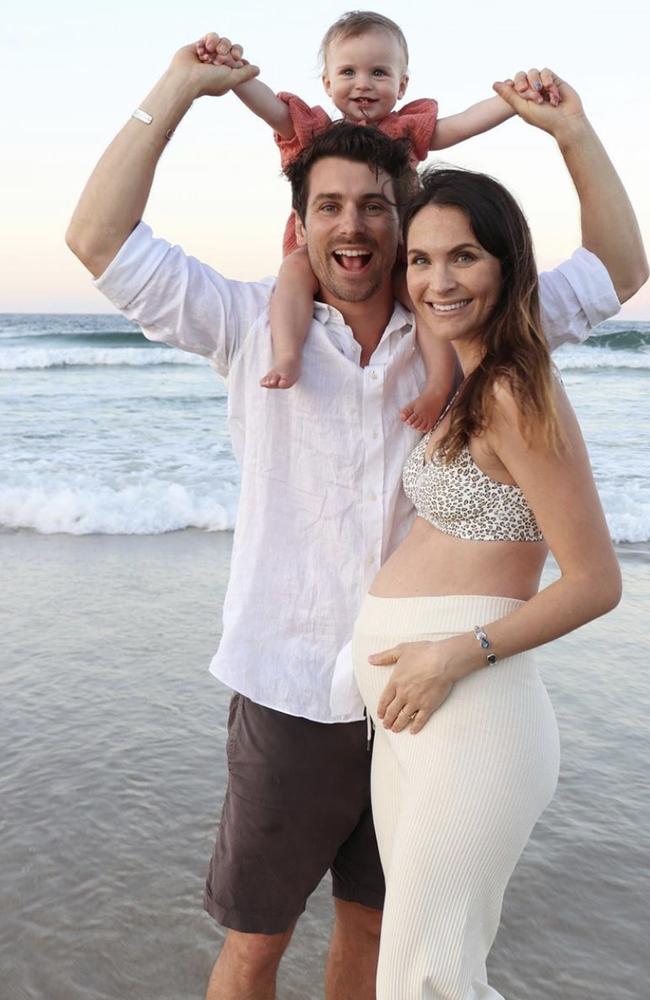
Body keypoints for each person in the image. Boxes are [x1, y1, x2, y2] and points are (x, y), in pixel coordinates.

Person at [65, 34, 647, 1000]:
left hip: (432, 703)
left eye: (376, 206)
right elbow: (99, 242)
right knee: (255, 942)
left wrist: (572, 134)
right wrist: (174, 89)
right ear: (301, 224)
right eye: (329, 205)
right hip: (288, 686)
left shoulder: (458, 321)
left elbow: (619, 268)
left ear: (403, 218)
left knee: (378, 937)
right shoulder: (250, 321)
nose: (354, 224)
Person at [351, 158, 627, 999]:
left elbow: (595, 580)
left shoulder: (513, 386)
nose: (437, 280)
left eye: (464, 256)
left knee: (424, 980)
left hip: (470, 709)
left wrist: (455, 654)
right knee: (431, 973)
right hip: (416, 712)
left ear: (509, 263)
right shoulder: (470, 375)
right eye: (421, 259)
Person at [196, 11, 527, 430]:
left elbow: (462, 124)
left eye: (379, 72)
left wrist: (512, 101)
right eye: (348, 72)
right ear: (328, 84)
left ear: (402, 84)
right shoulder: (314, 133)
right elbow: (271, 109)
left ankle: (440, 385)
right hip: (325, 253)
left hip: (394, 248)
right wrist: (235, 73)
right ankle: (287, 352)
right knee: (295, 271)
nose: (364, 84)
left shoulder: (406, 130)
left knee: (425, 305)